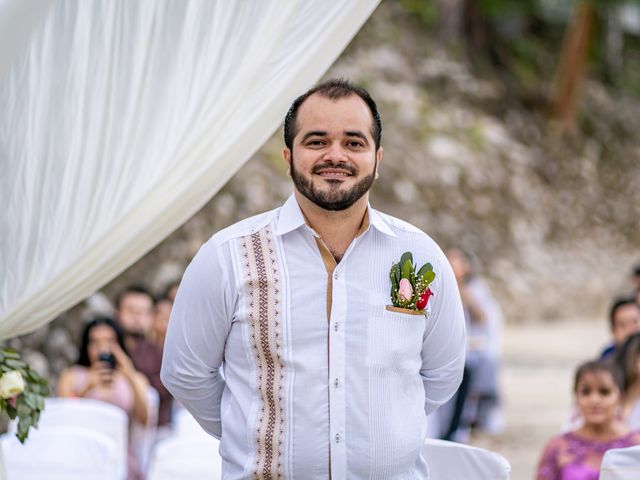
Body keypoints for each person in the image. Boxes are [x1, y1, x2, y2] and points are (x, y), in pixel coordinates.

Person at [161, 79, 466, 479]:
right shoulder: (228, 256)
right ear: (288, 156)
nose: (335, 155)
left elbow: (442, 374)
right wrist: (253, 434)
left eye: (354, 143)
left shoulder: (419, 256)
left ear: (378, 157)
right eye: (317, 141)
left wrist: (380, 430)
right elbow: (186, 373)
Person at [57, 316, 150, 480]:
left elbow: (144, 420)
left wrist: (129, 373)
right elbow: (63, 417)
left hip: (121, 458)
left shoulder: (134, 378)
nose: (102, 348)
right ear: (86, 346)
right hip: (80, 455)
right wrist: (87, 387)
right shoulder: (72, 376)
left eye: (109, 341)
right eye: (95, 342)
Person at [437, 247, 503, 442]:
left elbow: (483, 319)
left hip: (471, 348)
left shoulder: (475, 289)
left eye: (457, 261)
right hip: (445, 347)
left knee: (477, 367)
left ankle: (466, 421)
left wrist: (461, 289)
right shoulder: (438, 285)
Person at [536, 360, 640, 480]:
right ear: (576, 396)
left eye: (604, 392)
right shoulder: (558, 446)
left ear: (620, 397)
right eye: (586, 392)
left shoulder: (636, 444)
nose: (594, 400)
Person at [116, 285, 173, 427]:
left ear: (152, 317)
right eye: (130, 310)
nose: (136, 317)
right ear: (117, 313)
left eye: (143, 312)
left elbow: (161, 396)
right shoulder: (106, 345)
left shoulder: (161, 354)